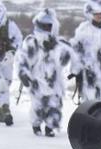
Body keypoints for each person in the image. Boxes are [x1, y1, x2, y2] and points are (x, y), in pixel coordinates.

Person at [16, 8, 72, 137]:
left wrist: (65, 54)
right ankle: (36, 124)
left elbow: (63, 62)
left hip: (54, 80)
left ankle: (50, 126)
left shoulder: (58, 43)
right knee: (38, 104)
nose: (46, 28)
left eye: (49, 26)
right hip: (36, 79)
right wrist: (23, 73)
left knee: (54, 104)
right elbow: (22, 59)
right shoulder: (31, 41)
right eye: (44, 25)